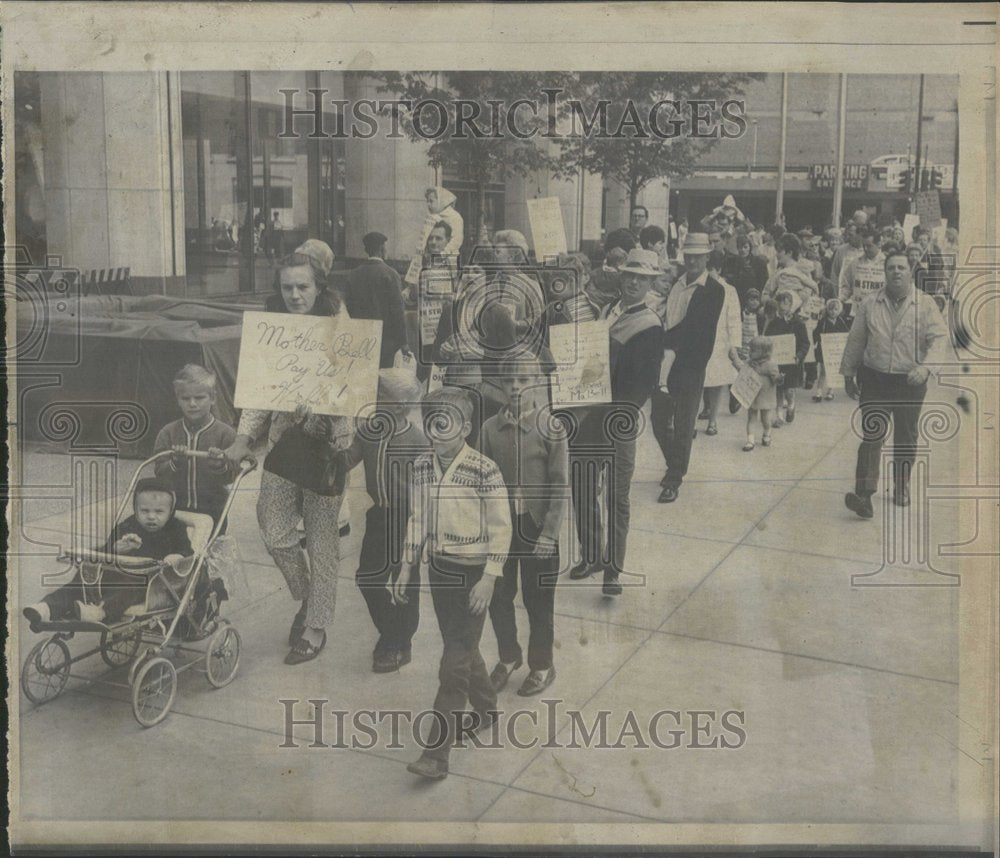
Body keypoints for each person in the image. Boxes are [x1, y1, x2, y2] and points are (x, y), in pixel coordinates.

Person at [224, 246, 353, 665]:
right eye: (287, 287)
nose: (295, 295)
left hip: (327, 449)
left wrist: (330, 417)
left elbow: (355, 388)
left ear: (319, 287)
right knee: (275, 529)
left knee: (321, 542)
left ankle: (316, 626)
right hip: (283, 448)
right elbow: (261, 393)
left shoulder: (340, 328)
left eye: (303, 286)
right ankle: (308, 597)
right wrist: (244, 438)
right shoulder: (271, 330)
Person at [398, 387, 511, 781]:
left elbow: (502, 528)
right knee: (461, 649)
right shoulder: (421, 467)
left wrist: (489, 579)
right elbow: (418, 518)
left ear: (465, 426)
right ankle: (487, 709)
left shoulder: (483, 469)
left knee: (453, 664)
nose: (437, 430)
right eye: (433, 421)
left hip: (473, 577)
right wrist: (406, 565)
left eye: (447, 421)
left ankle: (436, 754)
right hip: (439, 572)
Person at [571, 248, 663, 592]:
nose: (634, 282)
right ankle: (591, 554)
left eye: (642, 278)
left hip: (618, 419)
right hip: (588, 414)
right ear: (621, 278)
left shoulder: (650, 324)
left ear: (650, 283)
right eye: (629, 276)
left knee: (616, 496)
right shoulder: (609, 310)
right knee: (582, 488)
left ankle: (613, 570)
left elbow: (643, 385)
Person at [481, 355, 568, 697]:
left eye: (523, 380)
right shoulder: (489, 429)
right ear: (501, 387)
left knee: (539, 598)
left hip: (537, 530)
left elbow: (560, 485)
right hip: (503, 528)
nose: (516, 387)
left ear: (537, 384)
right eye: (509, 382)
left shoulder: (551, 428)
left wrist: (549, 532)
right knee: (499, 596)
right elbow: (484, 480)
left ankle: (542, 664)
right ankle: (508, 657)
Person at [841, 249, 948, 518]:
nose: (896, 272)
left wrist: (926, 368)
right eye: (891, 268)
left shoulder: (925, 304)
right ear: (884, 272)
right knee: (872, 435)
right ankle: (864, 496)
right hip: (875, 379)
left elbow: (939, 339)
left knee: (906, 437)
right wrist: (847, 373)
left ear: (910, 272)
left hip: (909, 382)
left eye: (901, 267)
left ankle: (901, 486)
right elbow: (856, 340)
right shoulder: (869, 303)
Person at [22, 478, 194, 628]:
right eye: (144, 511)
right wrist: (117, 548)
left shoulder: (176, 528)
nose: (151, 517)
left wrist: (177, 556)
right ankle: (48, 607)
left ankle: (100, 612)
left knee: (130, 589)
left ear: (170, 512)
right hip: (116, 573)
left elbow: (187, 551)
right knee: (82, 578)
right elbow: (108, 548)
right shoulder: (129, 525)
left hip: (150, 583)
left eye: (159, 512)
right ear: (135, 508)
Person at [343, 369, 428, 673]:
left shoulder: (417, 441)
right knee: (368, 578)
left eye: (382, 398)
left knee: (404, 585)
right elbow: (345, 460)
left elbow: (428, 491)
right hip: (380, 515)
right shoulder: (368, 431)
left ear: (402, 406)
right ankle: (394, 633)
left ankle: (399, 645)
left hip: (408, 520)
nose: (374, 401)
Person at [651, 233, 725, 504]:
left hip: (691, 366)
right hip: (665, 362)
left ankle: (674, 479)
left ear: (707, 257)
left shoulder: (714, 290)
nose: (693, 260)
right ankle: (676, 463)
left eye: (698, 255)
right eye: (689, 255)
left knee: (683, 423)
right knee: (658, 421)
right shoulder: (675, 284)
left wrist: (661, 340)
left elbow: (695, 330)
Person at [153, 364, 237, 528]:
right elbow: (160, 474)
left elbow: (233, 475)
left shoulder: (226, 434)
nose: (192, 404)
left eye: (199, 398)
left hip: (213, 509)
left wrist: (219, 465)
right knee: (177, 552)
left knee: (208, 551)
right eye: (185, 399)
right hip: (176, 509)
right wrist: (175, 461)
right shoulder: (168, 433)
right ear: (178, 400)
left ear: (212, 398)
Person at [344, 231, 409, 368]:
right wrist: (403, 342)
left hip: (361, 337)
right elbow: (397, 311)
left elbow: (348, 307)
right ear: (381, 249)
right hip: (386, 339)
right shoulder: (390, 274)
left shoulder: (353, 274)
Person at [699, 249, 742, 436]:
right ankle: (696, 416)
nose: (707, 274)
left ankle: (713, 421)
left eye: (711, 269)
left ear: (719, 269)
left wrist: (734, 345)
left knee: (717, 382)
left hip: (720, 342)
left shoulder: (728, 290)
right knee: (698, 380)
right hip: (699, 340)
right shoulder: (698, 287)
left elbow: (733, 320)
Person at [761, 290, 809, 426]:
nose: (783, 308)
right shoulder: (774, 322)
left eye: (786, 304)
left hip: (793, 363)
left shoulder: (798, 323)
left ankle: (791, 405)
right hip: (779, 362)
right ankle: (779, 416)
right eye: (780, 304)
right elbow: (769, 340)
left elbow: (805, 343)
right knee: (779, 389)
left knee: (789, 390)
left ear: (791, 305)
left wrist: (799, 356)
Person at [731, 337, 782, 452]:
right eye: (750, 350)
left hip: (766, 397)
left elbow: (776, 380)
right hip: (752, 396)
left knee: (766, 420)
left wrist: (779, 378)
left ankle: (767, 433)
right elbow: (742, 369)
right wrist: (735, 359)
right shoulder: (750, 363)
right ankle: (750, 440)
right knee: (751, 418)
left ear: (764, 352)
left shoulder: (771, 365)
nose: (750, 352)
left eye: (753, 350)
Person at [839, 227, 886, 319]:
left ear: (879, 244)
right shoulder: (855, 262)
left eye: (869, 246)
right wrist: (840, 300)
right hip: (858, 313)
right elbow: (846, 286)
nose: (865, 249)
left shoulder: (887, 263)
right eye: (864, 245)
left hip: (879, 314)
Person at [764, 233, 817, 309]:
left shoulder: (803, 270)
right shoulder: (778, 271)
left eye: (779, 251)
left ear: (789, 253)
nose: (776, 255)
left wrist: (792, 301)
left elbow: (808, 292)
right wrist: (772, 303)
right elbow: (766, 292)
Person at [811, 298, 850, 402]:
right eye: (831, 309)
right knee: (823, 371)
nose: (833, 312)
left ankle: (830, 391)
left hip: (836, 352)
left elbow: (846, 335)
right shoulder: (823, 322)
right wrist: (816, 342)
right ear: (827, 310)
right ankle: (819, 391)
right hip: (824, 351)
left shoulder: (841, 322)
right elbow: (815, 334)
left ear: (839, 310)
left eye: (836, 309)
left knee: (833, 371)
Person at [726, 234, 769, 308]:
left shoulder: (759, 262)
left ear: (750, 247)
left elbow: (764, 280)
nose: (743, 250)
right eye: (740, 247)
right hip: (738, 296)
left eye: (745, 247)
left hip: (755, 297)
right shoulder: (732, 262)